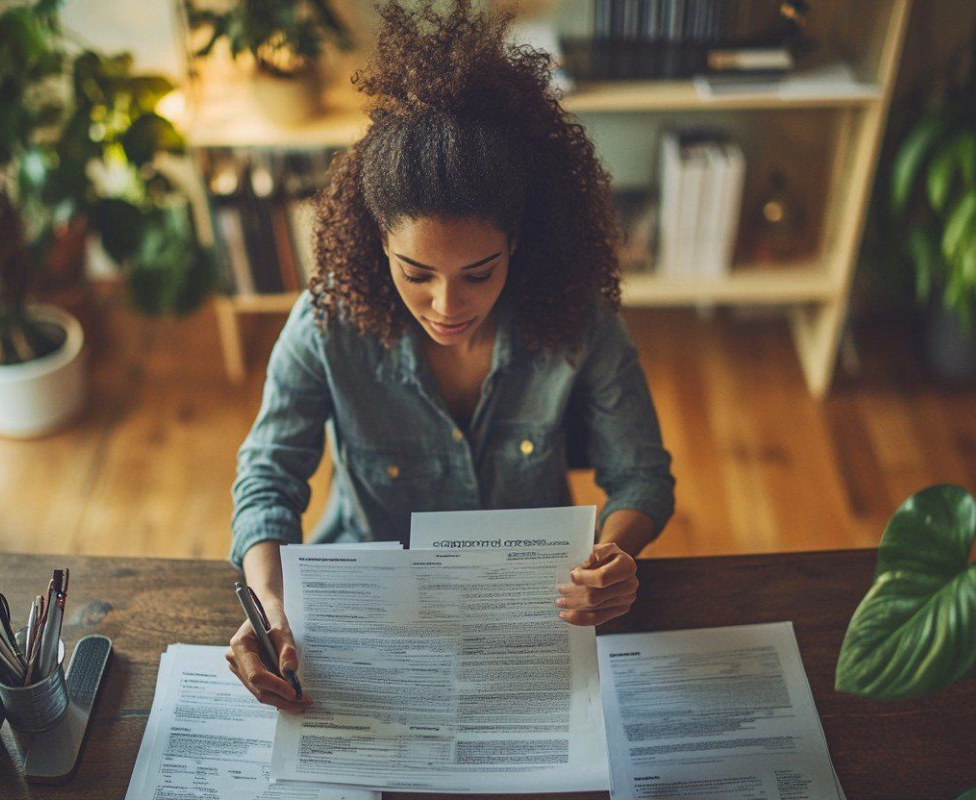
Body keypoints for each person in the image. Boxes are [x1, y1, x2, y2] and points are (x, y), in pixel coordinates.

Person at [225, 0, 674, 713]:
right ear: (377, 241)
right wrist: (271, 602)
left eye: (479, 272)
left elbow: (642, 476)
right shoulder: (327, 321)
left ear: (518, 242)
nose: (446, 305)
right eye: (416, 273)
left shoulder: (579, 317)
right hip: (366, 605)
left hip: (529, 604)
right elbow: (267, 474)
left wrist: (618, 552)